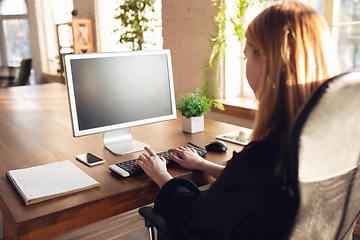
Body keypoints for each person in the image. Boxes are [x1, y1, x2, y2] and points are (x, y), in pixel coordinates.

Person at [135, 1, 341, 239]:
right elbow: (254, 188)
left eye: (247, 56)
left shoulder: (264, 157)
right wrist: (203, 165)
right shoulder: (325, 140)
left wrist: (161, 174)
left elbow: (193, 219)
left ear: (264, 60)